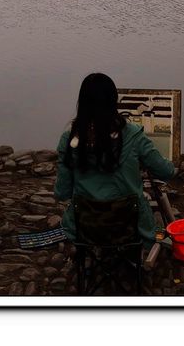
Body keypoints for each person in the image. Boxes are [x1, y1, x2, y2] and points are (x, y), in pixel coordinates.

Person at [54, 73, 175, 249]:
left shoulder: (69, 139)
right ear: (114, 101)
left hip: (85, 228)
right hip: (133, 227)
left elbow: (62, 192)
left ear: (82, 102)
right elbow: (166, 171)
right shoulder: (133, 135)